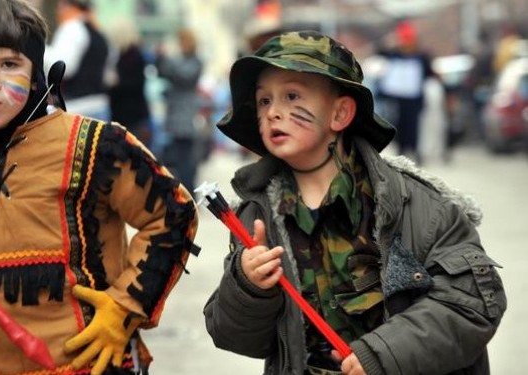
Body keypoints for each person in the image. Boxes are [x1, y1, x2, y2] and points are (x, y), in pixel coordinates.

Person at [0, 1, 199, 374]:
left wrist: (124, 306)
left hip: (90, 364)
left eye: (9, 64)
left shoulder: (97, 144)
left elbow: (172, 214)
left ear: (37, 74)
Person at [203, 30, 506, 375]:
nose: (273, 112)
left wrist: (383, 356)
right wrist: (248, 286)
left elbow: (472, 305)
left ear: (340, 114)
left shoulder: (415, 206)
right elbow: (238, 338)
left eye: (291, 95)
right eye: (264, 101)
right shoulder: (255, 217)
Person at [375, 20, 434, 163]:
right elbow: (379, 52)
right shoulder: (394, 54)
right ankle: (402, 150)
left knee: (414, 126)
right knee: (399, 125)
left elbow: (428, 74)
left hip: (414, 99)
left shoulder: (421, 56)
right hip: (397, 99)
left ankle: (414, 150)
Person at [156, 28, 204, 192]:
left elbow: (183, 75)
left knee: (187, 160)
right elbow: (164, 73)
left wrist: (166, 58)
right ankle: (185, 191)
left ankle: (189, 191)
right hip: (178, 115)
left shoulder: (194, 61)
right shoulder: (181, 60)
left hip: (186, 116)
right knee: (179, 158)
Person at [44, 0, 110, 120]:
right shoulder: (96, 31)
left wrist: (39, 50)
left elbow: (64, 68)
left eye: (60, 5)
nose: (57, 10)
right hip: (99, 104)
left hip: (78, 107)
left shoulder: (72, 28)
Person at [105, 18, 153, 148]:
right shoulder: (124, 55)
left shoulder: (133, 56)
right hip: (127, 115)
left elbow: (136, 84)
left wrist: (114, 84)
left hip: (131, 117)